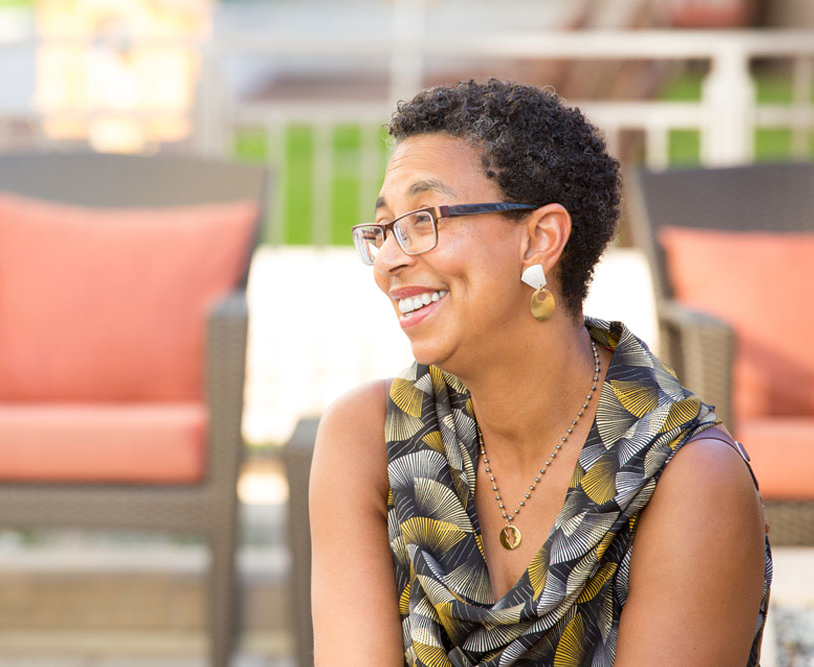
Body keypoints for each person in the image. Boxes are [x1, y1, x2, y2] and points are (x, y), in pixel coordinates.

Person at [308, 79, 771, 667]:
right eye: (383, 229)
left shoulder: (689, 481)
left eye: (423, 219)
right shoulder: (368, 440)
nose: (390, 259)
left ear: (540, 239)